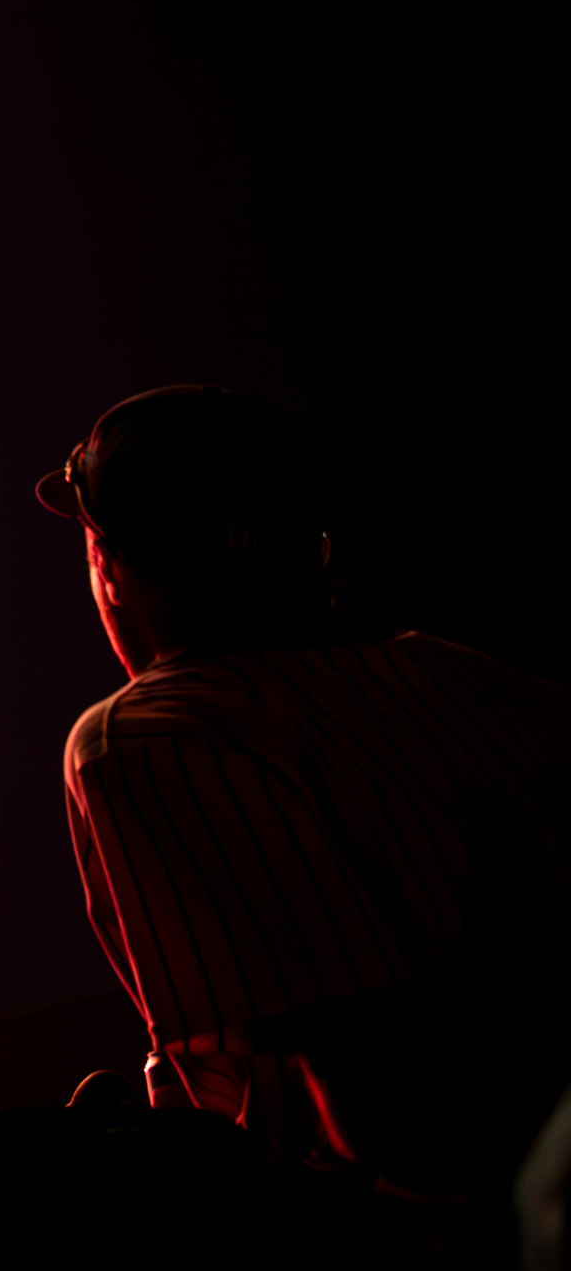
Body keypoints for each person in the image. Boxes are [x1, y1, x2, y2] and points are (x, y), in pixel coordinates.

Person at [45, 384, 571, 1201]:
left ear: (107, 565)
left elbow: (400, 1121)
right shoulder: (526, 699)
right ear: (312, 548)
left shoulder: (151, 734)